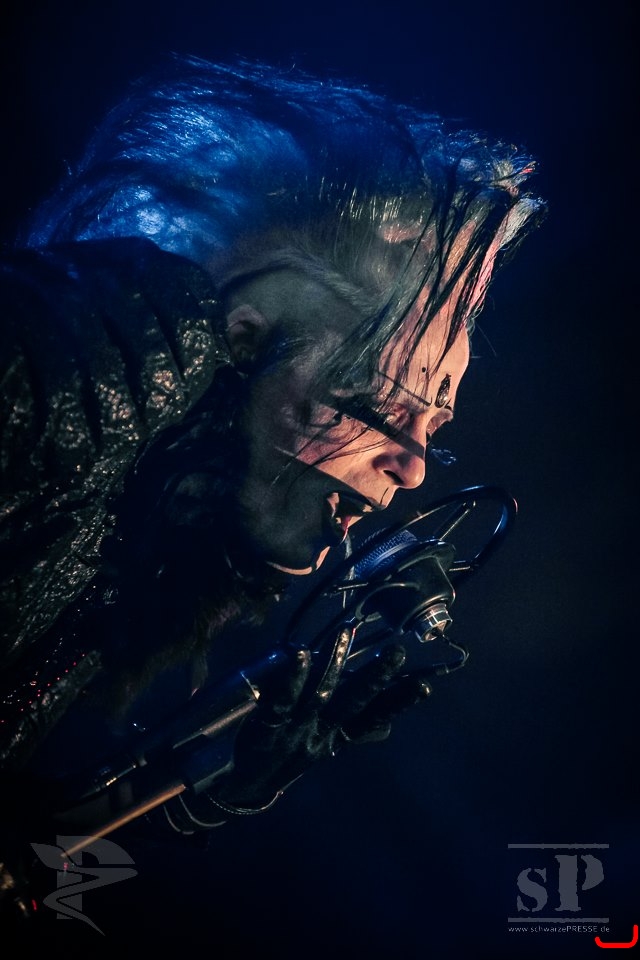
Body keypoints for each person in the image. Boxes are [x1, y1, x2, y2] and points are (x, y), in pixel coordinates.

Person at [0, 54, 544, 919]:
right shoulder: (121, 337)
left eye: (431, 434)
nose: (410, 468)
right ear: (246, 335)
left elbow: (20, 872)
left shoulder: (135, 538)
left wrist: (199, 781)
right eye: (380, 407)